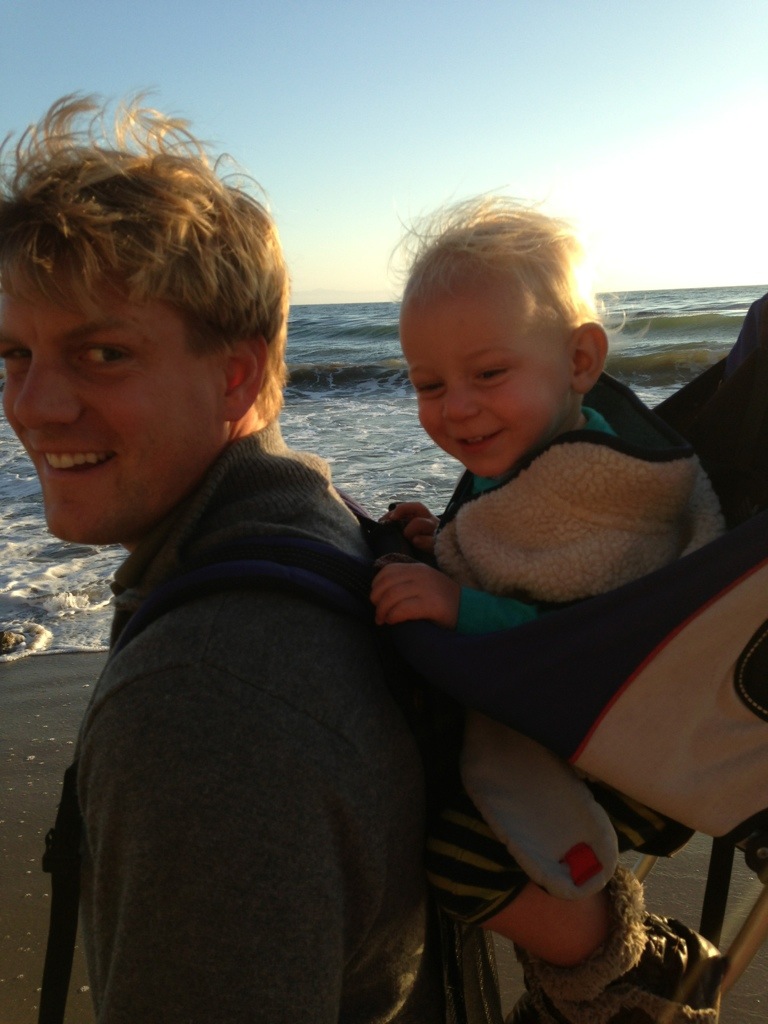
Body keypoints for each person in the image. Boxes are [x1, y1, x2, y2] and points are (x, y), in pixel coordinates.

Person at [0, 95, 445, 1023]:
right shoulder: (326, 524)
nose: (33, 405)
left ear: (235, 374)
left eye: (104, 352)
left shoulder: (201, 700)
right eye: (13, 354)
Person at [371, 197, 725, 1023]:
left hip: (636, 746)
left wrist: (460, 604)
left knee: (455, 855)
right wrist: (445, 542)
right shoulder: (536, 448)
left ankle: (627, 968)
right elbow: (515, 552)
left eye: (488, 374)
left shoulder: (603, 495)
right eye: (429, 384)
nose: (457, 407)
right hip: (577, 723)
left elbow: (581, 640)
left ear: (579, 360)